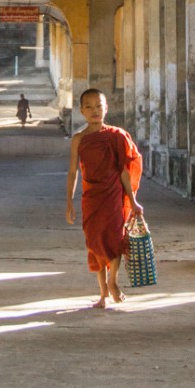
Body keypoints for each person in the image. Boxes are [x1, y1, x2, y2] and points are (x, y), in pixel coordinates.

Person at [66, 88, 143, 307]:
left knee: (114, 240)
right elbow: (73, 172)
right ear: (81, 111)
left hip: (112, 195)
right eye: (88, 107)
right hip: (91, 197)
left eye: (99, 106)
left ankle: (113, 281)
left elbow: (124, 171)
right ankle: (102, 294)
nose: (94, 111)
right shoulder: (79, 139)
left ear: (106, 108)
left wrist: (133, 199)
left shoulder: (116, 136)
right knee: (94, 243)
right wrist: (69, 202)